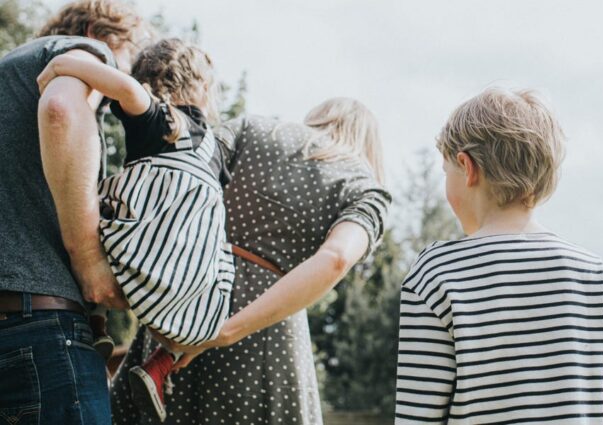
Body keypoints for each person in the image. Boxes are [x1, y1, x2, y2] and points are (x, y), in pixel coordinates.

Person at [111, 98, 392, 424]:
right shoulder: (365, 188)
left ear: (317, 118)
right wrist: (229, 331)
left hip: (184, 301)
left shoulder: (252, 127)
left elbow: (182, 174)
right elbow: (338, 256)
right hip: (266, 333)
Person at [394, 88, 603, 424]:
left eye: (446, 172)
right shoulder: (591, 275)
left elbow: (416, 416)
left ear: (467, 168)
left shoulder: (436, 274)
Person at [37, 37, 235, 422]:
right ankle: (160, 363)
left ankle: (93, 321)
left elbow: (125, 89)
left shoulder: (163, 121)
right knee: (223, 265)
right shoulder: (215, 148)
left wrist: (63, 66)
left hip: (135, 255)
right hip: (188, 279)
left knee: (88, 212)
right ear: (204, 88)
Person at [0, 1, 145, 424]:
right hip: (43, 328)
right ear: (102, 34)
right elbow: (62, 111)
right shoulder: (78, 50)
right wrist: (88, 258)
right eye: (134, 54)